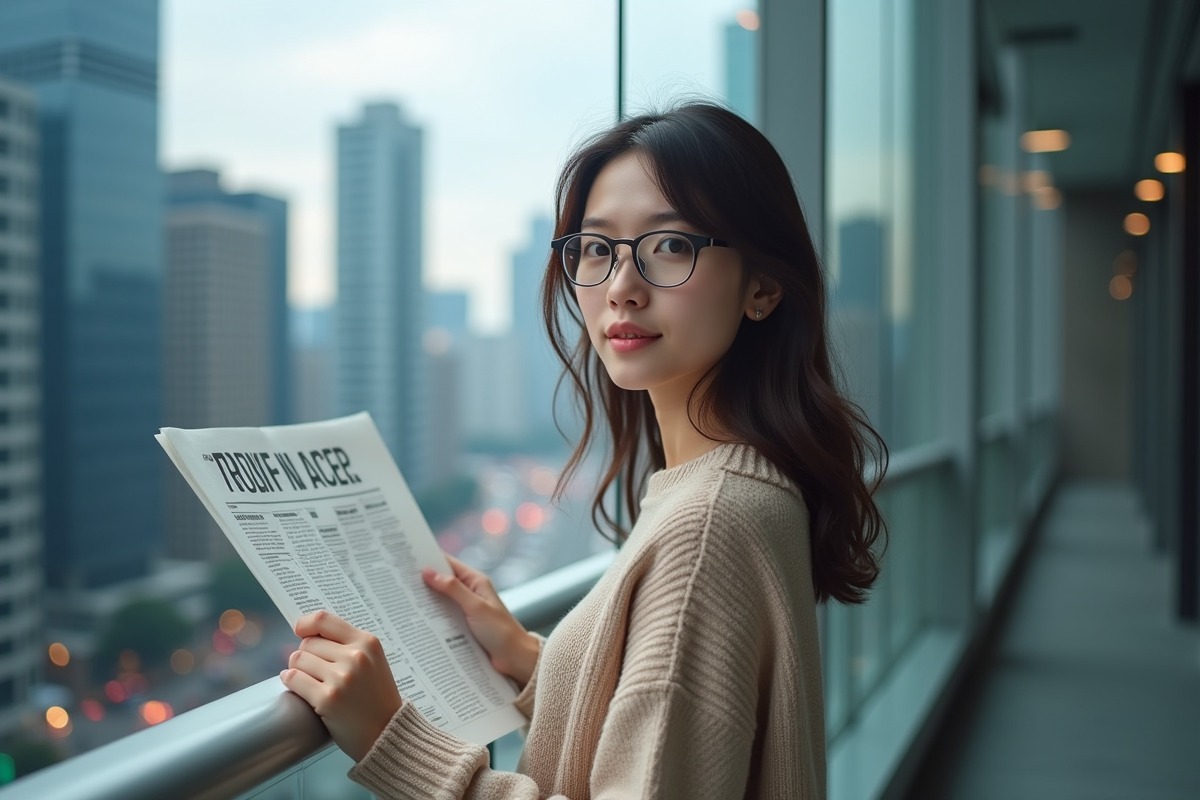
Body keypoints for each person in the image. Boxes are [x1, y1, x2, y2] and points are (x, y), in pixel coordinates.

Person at [280, 102, 887, 799]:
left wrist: (395, 737)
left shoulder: (708, 523)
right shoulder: (744, 485)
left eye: (670, 245)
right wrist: (533, 658)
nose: (621, 288)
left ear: (763, 286)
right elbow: (673, 738)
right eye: (597, 249)